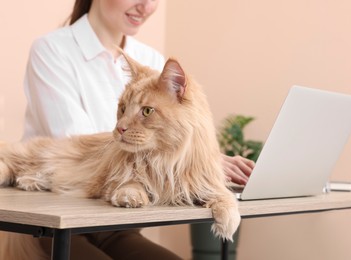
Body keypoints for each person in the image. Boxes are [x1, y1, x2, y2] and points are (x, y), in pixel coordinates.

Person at [22, 0, 255, 259]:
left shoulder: (149, 59)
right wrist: (181, 155)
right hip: (56, 222)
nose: (146, 6)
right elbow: (75, 141)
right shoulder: (52, 49)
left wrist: (199, 162)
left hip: (116, 225)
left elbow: (174, 130)